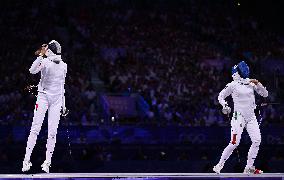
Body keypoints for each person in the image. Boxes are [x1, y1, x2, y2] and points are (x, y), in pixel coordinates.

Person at [213, 61, 268, 174]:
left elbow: (265, 94)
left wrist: (258, 84)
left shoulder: (251, 83)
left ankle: (249, 167)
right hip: (239, 117)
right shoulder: (232, 84)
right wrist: (225, 105)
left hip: (251, 117)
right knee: (234, 143)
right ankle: (219, 165)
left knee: (257, 140)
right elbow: (220, 96)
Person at [22, 40, 67, 173]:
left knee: (52, 133)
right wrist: (40, 56)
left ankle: (47, 162)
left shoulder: (64, 65)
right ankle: (26, 161)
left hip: (57, 99)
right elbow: (32, 71)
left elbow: (62, 86)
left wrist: (64, 105)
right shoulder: (45, 62)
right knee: (35, 129)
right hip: (43, 97)